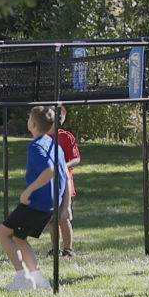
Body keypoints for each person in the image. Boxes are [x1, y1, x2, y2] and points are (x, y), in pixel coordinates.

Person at [0, 105, 70, 291]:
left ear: (32, 124)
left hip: (36, 203)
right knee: (19, 237)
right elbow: (65, 174)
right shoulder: (55, 145)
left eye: (29, 117)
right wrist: (65, 204)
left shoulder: (36, 146)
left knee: (2, 233)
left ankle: (22, 277)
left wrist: (28, 191)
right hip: (51, 204)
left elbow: (50, 171)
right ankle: (38, 279)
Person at [49, 104, 81, 258]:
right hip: (48, 183)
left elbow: (76, 158)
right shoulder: (42, 137)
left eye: (58, 114)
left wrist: (63, 166)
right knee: (51, 218)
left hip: (65, 183)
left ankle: (68, 249)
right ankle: (55, 248)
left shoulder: (66, 136)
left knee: (64, 217)